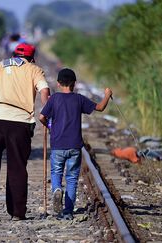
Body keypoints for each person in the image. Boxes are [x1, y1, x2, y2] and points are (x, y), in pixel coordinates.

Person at [0, 43, 50, 220]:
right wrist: (45, 113)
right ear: (31, 58)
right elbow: (44, 90)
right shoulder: (34, 69)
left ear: (14, 54)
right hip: (20, 123)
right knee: (17, 167)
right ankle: (17, 212)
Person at [39, 68, 112, 220]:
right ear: (74, 83)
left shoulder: (54, 99)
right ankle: (68, 211)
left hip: (58, 145)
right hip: (74, 146)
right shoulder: (79, 99)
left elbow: (41, 117)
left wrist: (49, 126)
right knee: (72, 178)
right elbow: (100, 107)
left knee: (56, 172)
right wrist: (107, 95)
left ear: (58, 84)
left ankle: (57, 189)